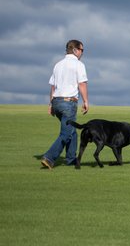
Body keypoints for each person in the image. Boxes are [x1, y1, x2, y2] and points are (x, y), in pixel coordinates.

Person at [41, 40, 89, 169]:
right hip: (68, 102)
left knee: (72, 131)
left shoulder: (58, 65)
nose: (82, 53)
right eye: (81, 50)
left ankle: (71, 159)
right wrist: (85, 101)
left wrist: (51, 104)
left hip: (56, 102)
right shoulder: (78, 65)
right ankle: (49, 158)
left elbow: (53, 86)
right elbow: (82, 84)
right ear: (75, 50)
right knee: (66, 133)